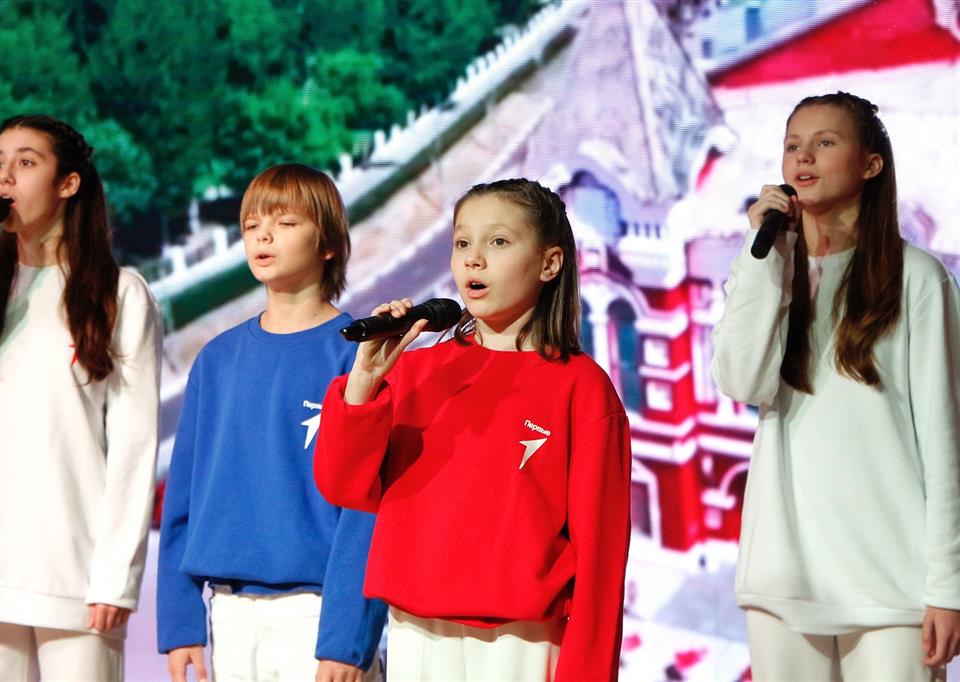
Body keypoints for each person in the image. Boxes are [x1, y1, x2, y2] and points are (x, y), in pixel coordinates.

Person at [314, 178, 632, 681]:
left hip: (520, 644)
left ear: (550, 263)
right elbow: (343, 485)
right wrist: (364, 382)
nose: (473, 260)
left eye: (498, 241)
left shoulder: (582, 388)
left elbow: (601, 561)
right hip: (416, 635)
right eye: (462, 242)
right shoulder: (415, 372)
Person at [711, 92, 960, 680]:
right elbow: (740, 379)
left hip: (892, 582)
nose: (803, 157)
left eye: (825, 142)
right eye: (793, 145)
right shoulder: (768, 269)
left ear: (871, 164)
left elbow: (946, 440)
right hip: (784, 575)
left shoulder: (918, 279)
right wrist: (765, 261)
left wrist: (948, 585)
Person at [0, 114, 162, 681]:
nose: (5, 177)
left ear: (68, 183)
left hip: (73, 578)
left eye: (26, 162)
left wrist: (116, 578)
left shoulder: (119, 294)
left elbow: (134, 448)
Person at [156, 163, 386, 682]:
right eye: (252, 224)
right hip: (231, 615)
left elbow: (367, 510)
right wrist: (181, 622)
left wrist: (347, 636)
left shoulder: (360, 356)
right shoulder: (216, 361)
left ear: (329, 244)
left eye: (284, 222)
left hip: (321, 615)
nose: (263, 234)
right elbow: (183, 499)